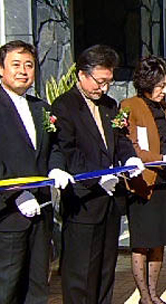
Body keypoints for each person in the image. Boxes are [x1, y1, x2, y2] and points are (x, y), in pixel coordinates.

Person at [0, 40, 74, 302]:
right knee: (5, 290)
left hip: (41, 212)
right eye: (15, 64)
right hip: (5, 214)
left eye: (28, 65)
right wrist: (18, 193)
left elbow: (54, 148)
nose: (23, 71)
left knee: (37, 286)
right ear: (0, 68)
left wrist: (56, 168)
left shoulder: (41, 107)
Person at [52, 44, 145, 303]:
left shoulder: (109, 105)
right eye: (100, 81)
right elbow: (67, 150)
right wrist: (96, 177)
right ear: (82, 74)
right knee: (81, 272)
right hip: (83, 202)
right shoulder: (64, 106)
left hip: (110, 200)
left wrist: (130, 158)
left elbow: (120, 139)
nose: (103, 88)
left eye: (108, 82)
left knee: (106, 269)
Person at [121, 56, 166, 304]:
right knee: (143, 241)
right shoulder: (130, 105)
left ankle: (154, 292)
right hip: (143, 182)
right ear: (146, 82)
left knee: (159, 239)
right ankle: (144, 296)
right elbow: (131, 146)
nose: (164, 90)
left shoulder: (165, 108)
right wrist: (160, 157)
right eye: (159, 85)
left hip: (163, 181)